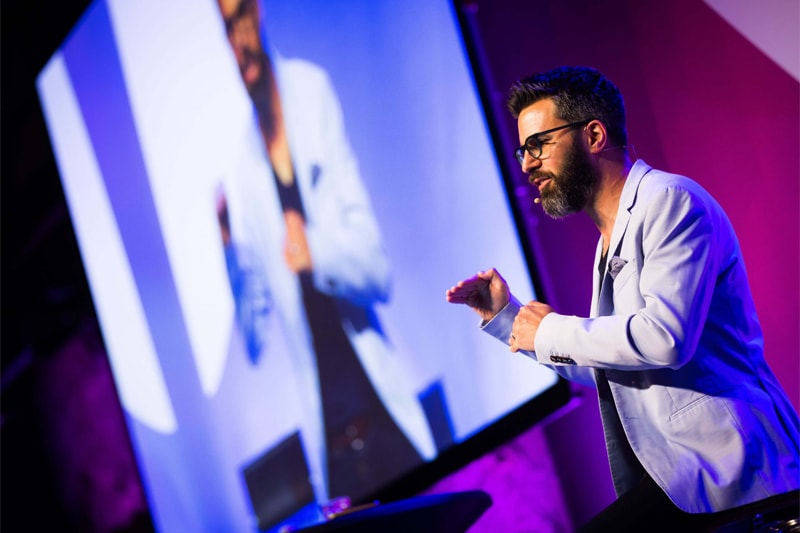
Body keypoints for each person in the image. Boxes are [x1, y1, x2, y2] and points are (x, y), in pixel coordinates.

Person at [446, 66, 799, 530]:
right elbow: (615, 370)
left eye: (538, 145)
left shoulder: (670, 201)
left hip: (732, 468)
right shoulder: (607, 240)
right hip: (682, 479)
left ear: (593, 134)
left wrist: (549, 328)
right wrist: (512, 322)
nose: (527, 164)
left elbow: (664, 339)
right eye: (522, 150)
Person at [215, 0, 435, 506]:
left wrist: (316, 252)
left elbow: (377, 273)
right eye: (226, 29)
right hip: (334, 458)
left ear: (260, 13)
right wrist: (229, 249)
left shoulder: (311, 94)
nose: (238, 40)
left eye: (242, 18)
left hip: (386, 426)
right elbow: (253, 337)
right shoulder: (244, 171)